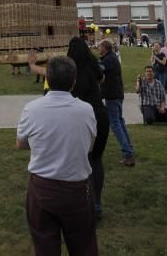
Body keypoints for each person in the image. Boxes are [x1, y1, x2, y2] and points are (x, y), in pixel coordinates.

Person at [16, 56, 98, 256]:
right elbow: (89, 147)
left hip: (42, 188)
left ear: (48, 79)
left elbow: (20, 144)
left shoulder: (32, 109)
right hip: (77, 188)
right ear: (74, 81)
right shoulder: (86, 110)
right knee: (83, 244)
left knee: (44, 246)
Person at [67, 37, 109, 221]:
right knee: (96, 160)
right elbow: (102, 78)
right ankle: (96, 204)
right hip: (100, 114)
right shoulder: (93, 64)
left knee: (78, 160)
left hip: (81, 117)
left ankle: (79, 203)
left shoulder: (70, 70)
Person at [99, 39, 135, 166]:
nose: (98, 48)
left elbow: (99, 68)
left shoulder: (109, 59)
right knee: (119, 121)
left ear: (105, 47)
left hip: (113, 95)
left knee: (115, 124)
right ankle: (129, 149)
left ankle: (128, 154)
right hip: (117, 94)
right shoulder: (111, 57)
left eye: (100, 46)